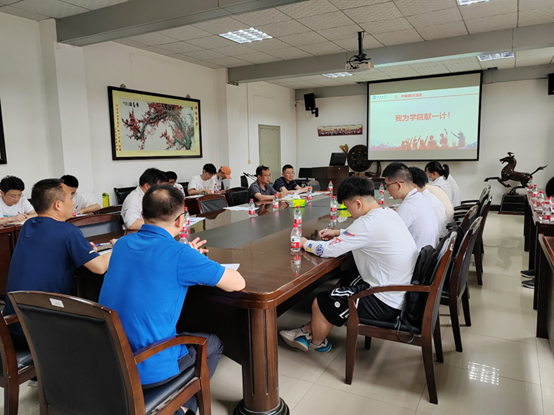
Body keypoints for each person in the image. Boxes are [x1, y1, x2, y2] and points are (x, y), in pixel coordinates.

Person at [99, 184, 245, 415]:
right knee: (214, 343)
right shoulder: (180, 254)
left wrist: (190, 258)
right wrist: (196, 260)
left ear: (143, 215)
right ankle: (183, 408)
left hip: (108, 357)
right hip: (147, 366)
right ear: (181, 220)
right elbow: (238, 283)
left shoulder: (122, 244)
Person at [279, 177, 418, 352]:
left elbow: (328, 250)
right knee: (346, 280)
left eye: (347, 206)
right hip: (402, 291)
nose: (348, 211)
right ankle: (308, 329)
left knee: (321, 302)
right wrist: (339, 232)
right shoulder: (388, 213)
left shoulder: (366, 224)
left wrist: (304, 243)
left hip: (386, 302)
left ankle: (318, 343)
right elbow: (368, 234)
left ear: (358, 203)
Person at [3, 178, 112, 348]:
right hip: (42, 332)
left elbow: (47, 253)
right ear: (58, 205)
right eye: (70, 197)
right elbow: (99, 267)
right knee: (102, 332)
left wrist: (81, 249)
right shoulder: (68, 231)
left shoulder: (28, 225)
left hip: (13, 324)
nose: (73, 202)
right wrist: (118, 247)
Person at [383, 163, 439, 250]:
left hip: (416, 256)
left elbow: (387, 235)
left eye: (387, 185)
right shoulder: (422, 198)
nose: (386, 189)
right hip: (429, 252)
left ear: (398, 185)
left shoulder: (408, 207)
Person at [409, 167, 449, 238]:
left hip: (437, 238)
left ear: (413, 185)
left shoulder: (422, 201)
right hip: (443, 234)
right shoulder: (429, 195)